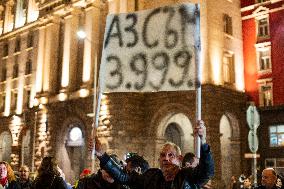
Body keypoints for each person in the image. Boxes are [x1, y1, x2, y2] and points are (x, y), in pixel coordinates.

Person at [93, 120, 214, 189]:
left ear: (179, 159)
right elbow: (124, 177)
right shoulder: (151, 177)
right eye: (162, 155)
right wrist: (102, 155)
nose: (165, 158)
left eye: (171, 155)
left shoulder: (188, 176)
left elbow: (207, 172)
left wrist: (202, 142)